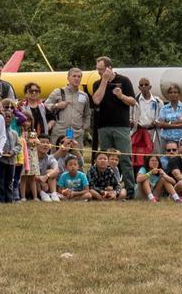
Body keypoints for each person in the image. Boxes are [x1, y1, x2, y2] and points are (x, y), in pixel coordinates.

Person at [89, 56, 136, 197]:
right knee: (104, 159)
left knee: (125, 159)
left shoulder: (124, 81)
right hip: (103, 126)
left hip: (121, 126)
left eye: (101, 69)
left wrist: (122, 96)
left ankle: (130, 191)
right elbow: (96, 100)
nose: (99, 72)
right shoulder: (97, 83)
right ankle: (104, 189)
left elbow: (133, 101)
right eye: (97, 69)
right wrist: (104, 80)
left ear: (109, 68)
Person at [46, 67, 89, 144]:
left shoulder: (84, 95)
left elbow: (87, 114)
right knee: (57, 155)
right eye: (74, 76)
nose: (76, 78)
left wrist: (83, 129)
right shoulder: (58, 92)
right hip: (59, 132)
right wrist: (56, 105)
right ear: (68, 78)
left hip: (76, 133)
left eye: (79, 77)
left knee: (76, 155)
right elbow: (45, 106)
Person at [130, 77, 161, 171]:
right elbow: (130, 116)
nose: (144, 87)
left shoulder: (158, 101)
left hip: (152, 131)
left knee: (153, 154)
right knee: (137, 154)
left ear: (150, 87)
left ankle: (154, 174)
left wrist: (157, 122)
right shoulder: (134, 100)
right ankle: (138, 173)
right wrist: (132, 122)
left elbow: (161, 117)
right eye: (141, 85)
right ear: (139, 87)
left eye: (146, 84)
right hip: (138, 131)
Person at [155, 84, 182, 153]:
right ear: (168, 95)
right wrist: (179, 125)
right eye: (171, 92)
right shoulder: (164, 108)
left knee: (181, 160)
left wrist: (170, 123)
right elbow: (161, 124)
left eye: (175, 92)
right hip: (166, 139)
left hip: (181, 140)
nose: (173, 94)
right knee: (164, 161)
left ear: (179, 94)